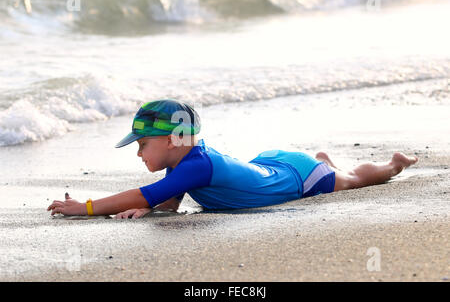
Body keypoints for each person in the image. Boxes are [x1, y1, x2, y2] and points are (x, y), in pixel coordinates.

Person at [47, 99, 418, 219]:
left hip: (300, 177)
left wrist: (86, 207)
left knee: (350, 178)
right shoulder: (187, 162)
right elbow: (167, 195)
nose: (139, 151)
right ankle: (322, 158)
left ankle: (393, 164)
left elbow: (144, 193)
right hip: (272, 161)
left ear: (175, 140)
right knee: (331, 169)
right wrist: (156, 208)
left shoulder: (197, 165)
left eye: (143, 143)